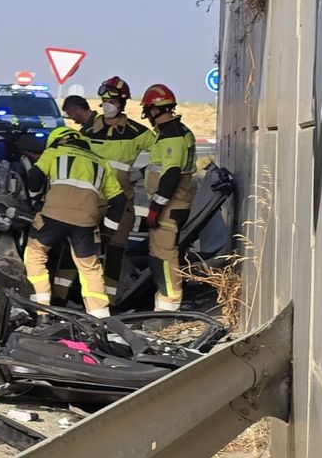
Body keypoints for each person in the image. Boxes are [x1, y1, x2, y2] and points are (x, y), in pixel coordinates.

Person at [23, 126, 127, 319]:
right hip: (85, 222)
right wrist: (107, 231)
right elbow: (119, 200)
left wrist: (35, 199)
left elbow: (35, 175)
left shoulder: (54, 152)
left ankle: (43, 311)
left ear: (57, 141)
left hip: (52, 217)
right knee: (90, 269)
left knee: (35, 256)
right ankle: (100, 317)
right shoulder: (101, 162)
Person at [80, 76, 155, 297]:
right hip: (91, 201)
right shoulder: (88, 132)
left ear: (122, 103)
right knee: (84, 249)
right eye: (103, 100)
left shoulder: (138, 133)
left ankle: (109, 298)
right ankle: (77, 296)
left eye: (111, 100)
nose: (106, 105)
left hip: (121, 202)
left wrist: (141, 175)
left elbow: (160, 156)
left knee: (115, 251)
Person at [139, 83, 197, 311]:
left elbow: (171, 174)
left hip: (170, 205)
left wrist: (156, 207)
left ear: (154, 110)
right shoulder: (179, 131)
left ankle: (169, 305)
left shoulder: (170, 135)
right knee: (163, 251)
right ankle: (167, 300)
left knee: (163, 255)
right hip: (176, 202)